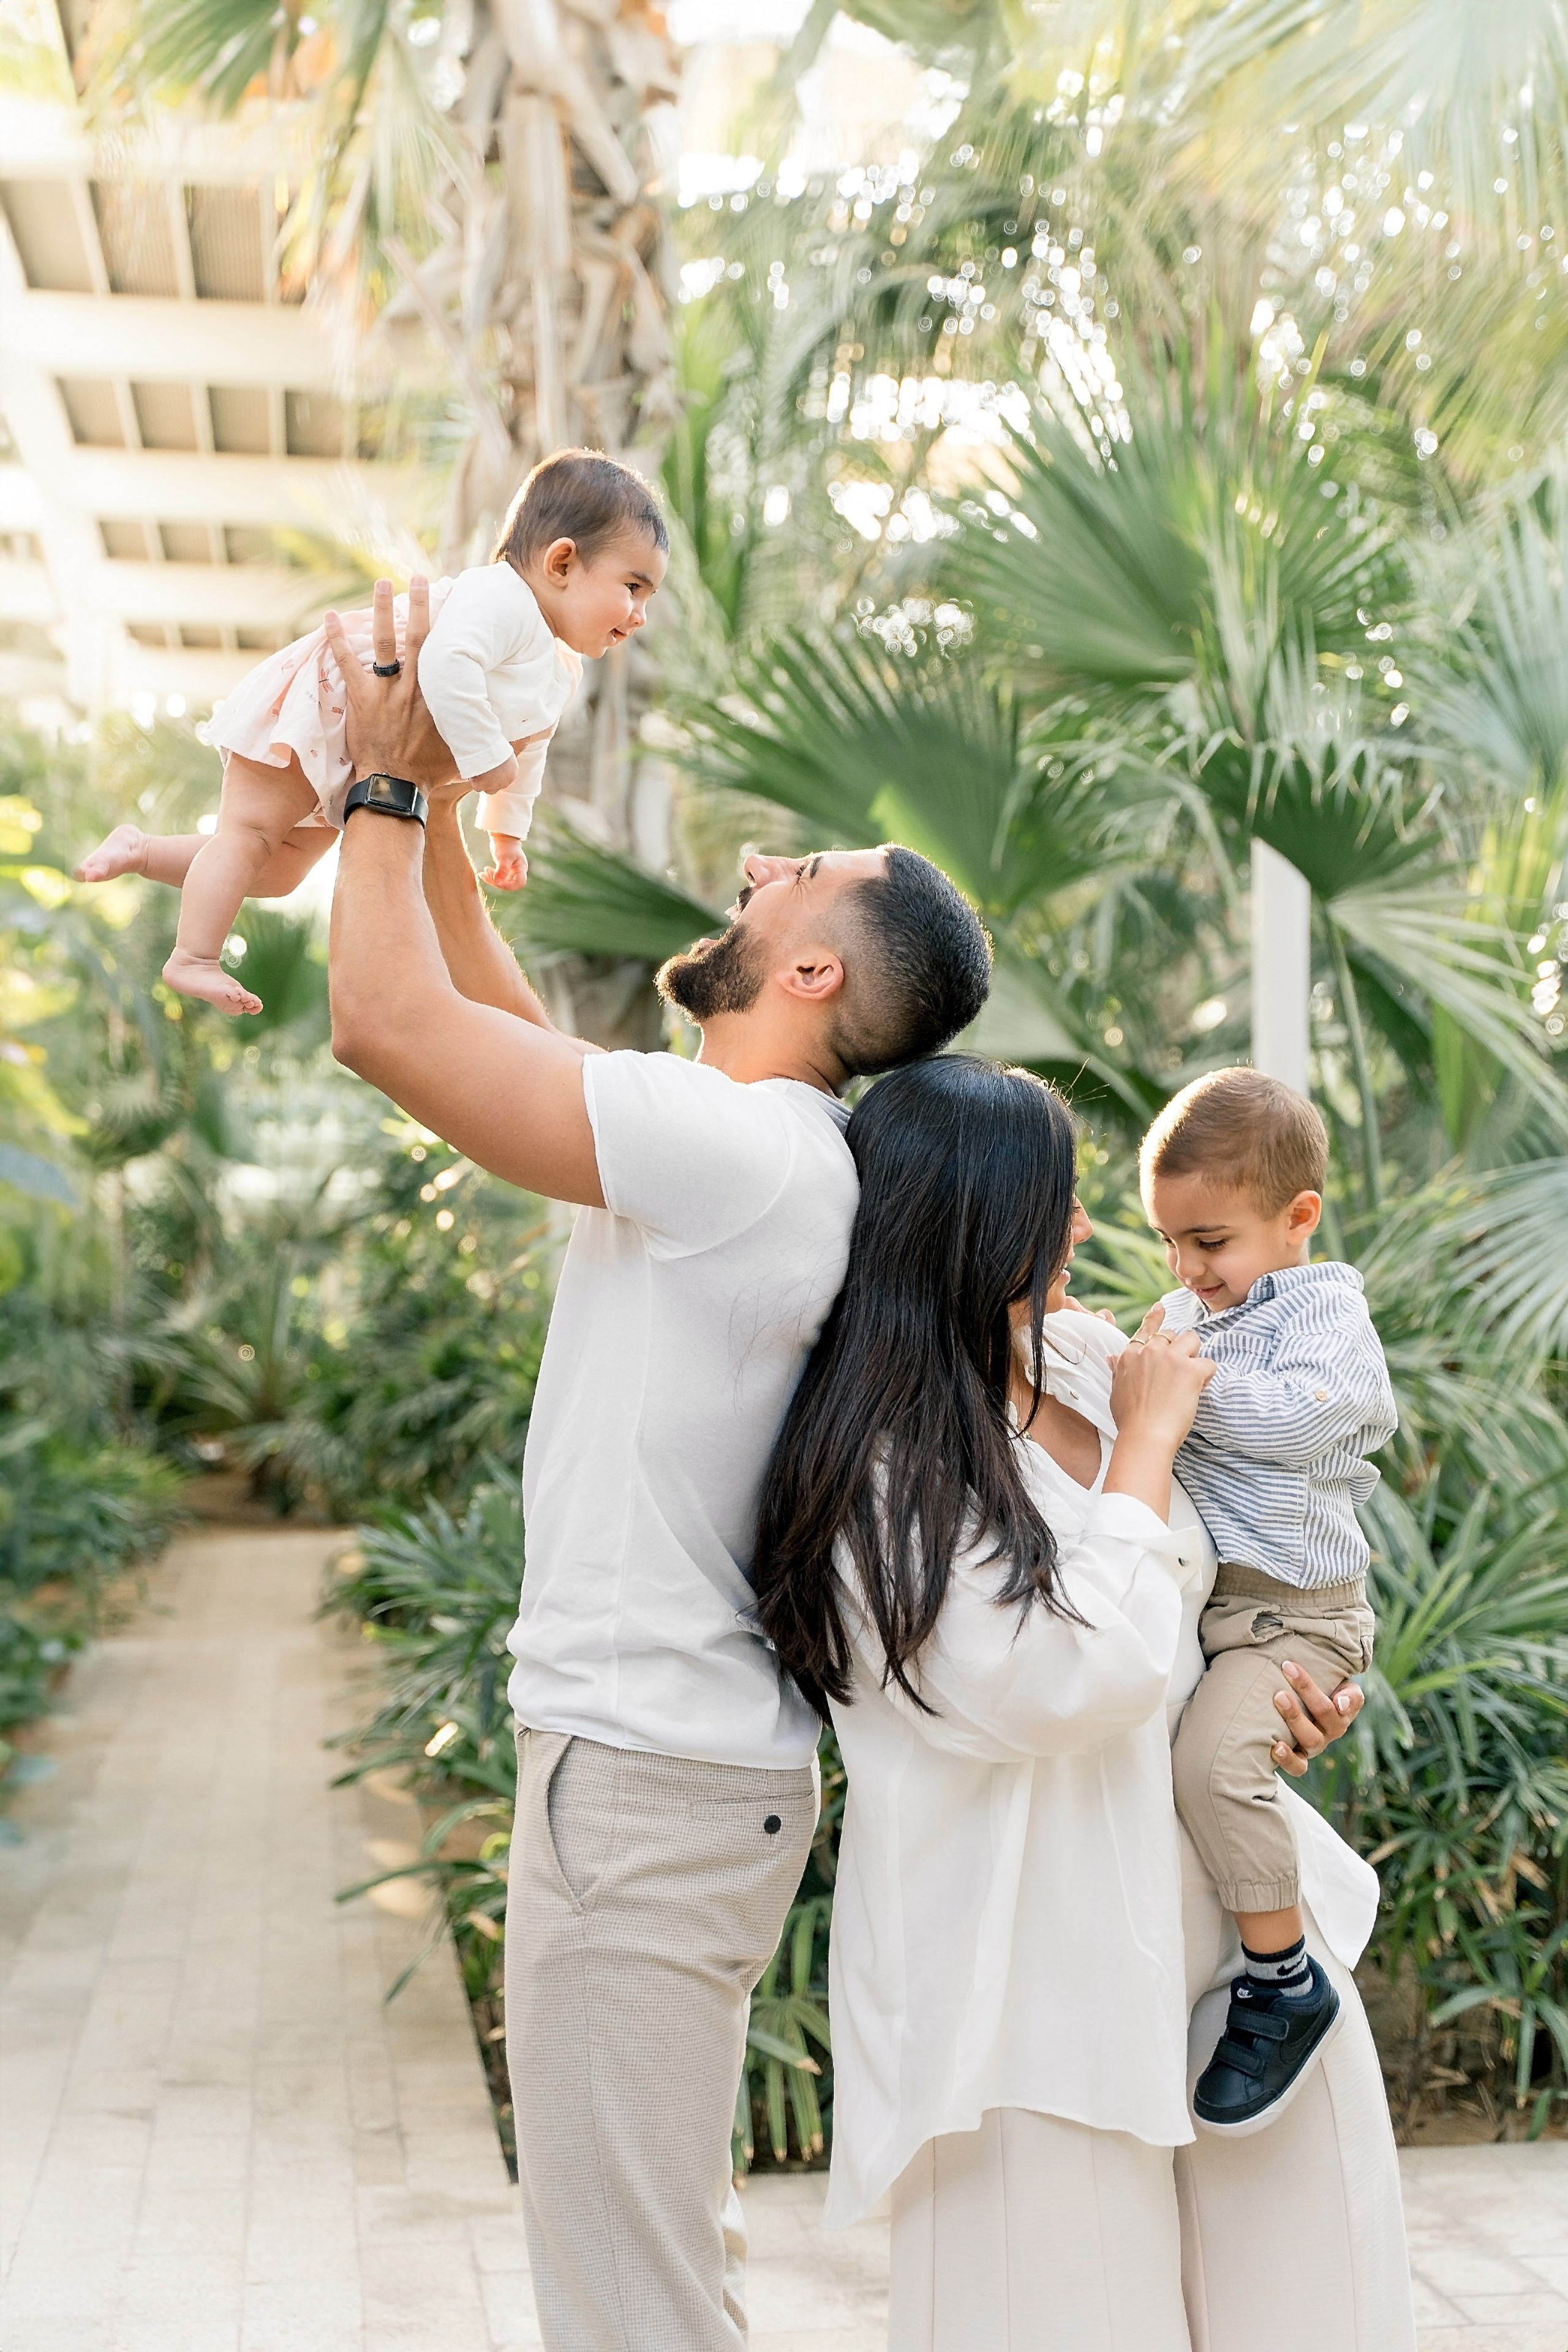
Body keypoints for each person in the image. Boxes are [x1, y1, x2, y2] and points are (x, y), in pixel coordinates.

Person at [317, 576, 995, 2352]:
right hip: (663, 1775)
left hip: (647, 1780)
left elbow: (388, 1029)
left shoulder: (747, 1154)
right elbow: (507, 1042)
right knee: (644, 2272)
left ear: (816, 969)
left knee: (631, 2304)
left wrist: (382, 793)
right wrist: (450, 801)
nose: (755, 865)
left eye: (787, 878)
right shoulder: (749, 1149)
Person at [753, 1055, 1416, 2352]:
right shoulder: (885, 1465)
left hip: (1239, 1956)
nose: (1086, 1230)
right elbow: (1061, 1685)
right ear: (968, 1217)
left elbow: (1238, 1568)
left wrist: (1280, 1687)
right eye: (1053, 1200)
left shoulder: (1081, 1352)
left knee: (1321, 2310)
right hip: (1034, 1997)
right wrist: (1149, 1450)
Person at [76, 449, 666, 1014]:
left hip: (354, 746)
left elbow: (528, 754)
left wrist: (507, 834)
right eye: (633, 588)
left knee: (279, 873)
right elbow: (445, 665)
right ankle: (193, 957)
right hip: (324, 708)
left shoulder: (558, 665)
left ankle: (144, 851)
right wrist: (486, 760)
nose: (640, 615)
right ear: (561, 563)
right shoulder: (502, 598)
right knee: (251, 835)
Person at [1139, 1068, 1396, 2133]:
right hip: (1221, 1611)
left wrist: (1185, 1393)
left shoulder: (1326, 1310)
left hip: (1298, 1614)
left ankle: (1283, 1977)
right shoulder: (1176, 1314)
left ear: (1298, 1220)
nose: (1187, 1270)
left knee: (1211, 1764)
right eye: (1169, 1242)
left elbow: (1315, 1421)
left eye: (1210, 1242)